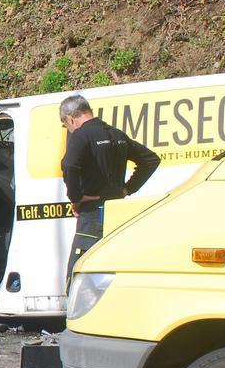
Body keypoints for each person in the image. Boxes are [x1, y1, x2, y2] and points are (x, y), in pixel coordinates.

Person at [60, 95, 160, 280]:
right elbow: (151, 160)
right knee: (114, 272)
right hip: (119, 213)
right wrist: (127, 189)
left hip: (93, 214)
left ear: (70, 118)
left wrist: (76, 198)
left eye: (65, 124)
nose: (68, 129)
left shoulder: (81, 135)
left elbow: (69, 165)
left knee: (79, 274)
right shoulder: (116, 133)